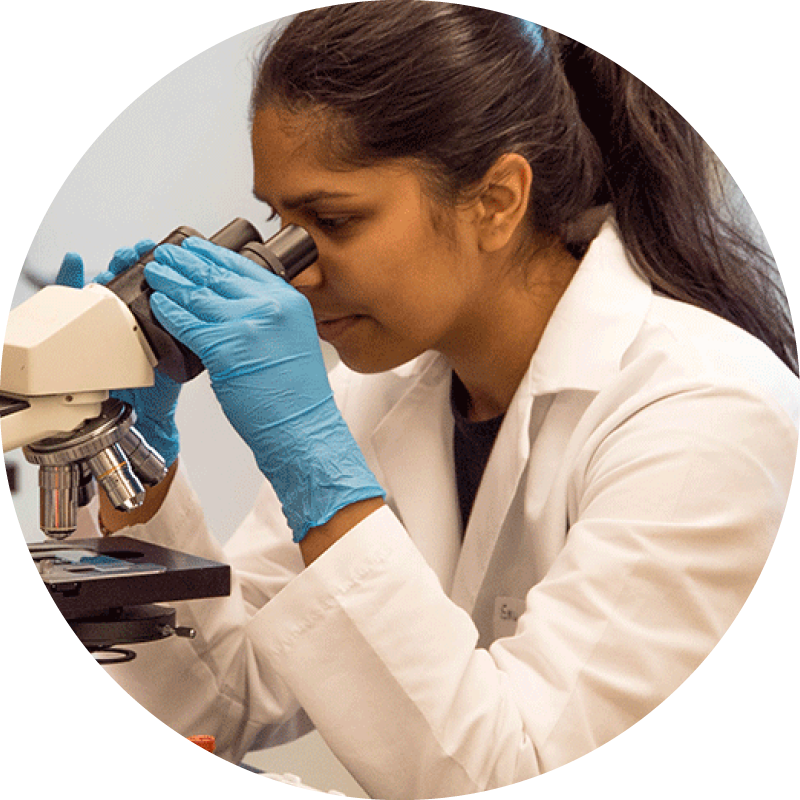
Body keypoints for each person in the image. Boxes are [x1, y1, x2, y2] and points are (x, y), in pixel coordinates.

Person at [58, 2, 800, 798]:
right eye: (279, 221)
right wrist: (133, 460)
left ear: (496, 201)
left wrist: (313, 466)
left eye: (332, 220)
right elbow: (224, 699)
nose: (292, 270)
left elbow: (519, 775)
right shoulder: (377, 396)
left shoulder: (703, 413)